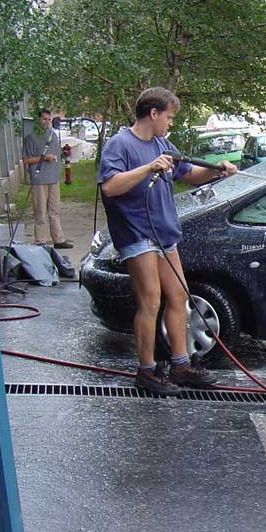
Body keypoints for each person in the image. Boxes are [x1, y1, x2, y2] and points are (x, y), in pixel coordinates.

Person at [98, 87, 237, 395]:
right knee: (150, 300)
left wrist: (218, 172)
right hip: (137, 234)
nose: (170, 124)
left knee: (179, 296)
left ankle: (181, 365)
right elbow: (109, 187)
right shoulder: (120, 145)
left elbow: (189, 173)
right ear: (153, 113)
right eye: (169, 117)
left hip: (164, 235)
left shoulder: (163, 143)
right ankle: (146, 371)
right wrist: (149, 167)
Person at [21, 109, 73, 249]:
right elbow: (26, 160)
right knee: (40, 211)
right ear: (38, 120)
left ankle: (58, 239)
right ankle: (41, 241)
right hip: (39, 179)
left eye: (49, 119)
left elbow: (57, 153)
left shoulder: (53, 135)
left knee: (54, 210)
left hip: (53, 178)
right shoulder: (31, 138)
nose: (47, 122)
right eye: (44, 119)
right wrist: (44, 158)